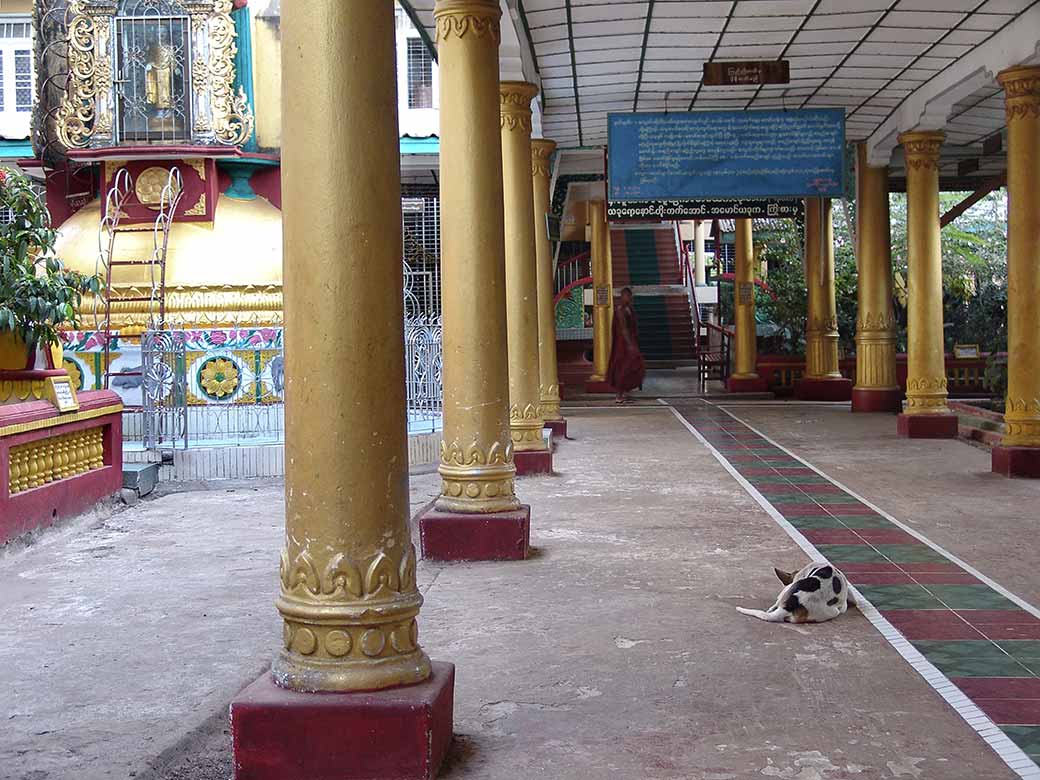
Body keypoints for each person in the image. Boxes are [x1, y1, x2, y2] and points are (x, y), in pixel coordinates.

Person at [607, 287, 646, 404]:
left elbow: (632, 326)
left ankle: (624, 392)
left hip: (630, 340)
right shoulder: (620, 310)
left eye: (629, 296)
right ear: (622, 297)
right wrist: (629, 344)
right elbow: (623, 328)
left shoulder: (629, 309)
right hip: (623, 343)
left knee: (633, 366)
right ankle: (619, 395)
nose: (628, 298)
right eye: (626, 296)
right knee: (623, 367)